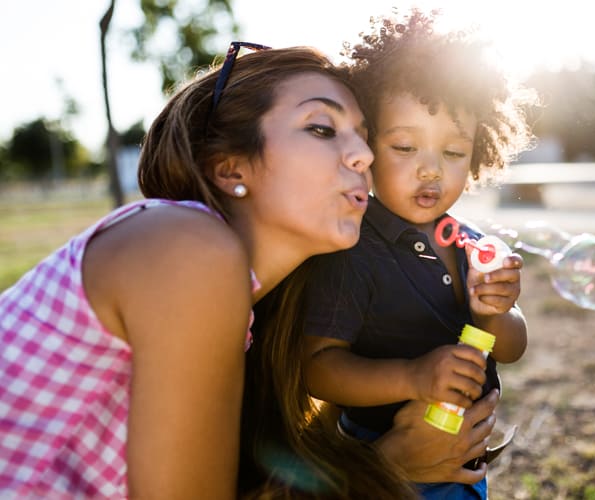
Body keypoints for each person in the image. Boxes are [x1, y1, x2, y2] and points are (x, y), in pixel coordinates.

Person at [0, 43, 376, 498]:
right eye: (322, 128)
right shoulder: (185, 245)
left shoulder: (247, 316)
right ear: (228, 167)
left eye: (364, 136)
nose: (363, 156)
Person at [298, 10, 537, 500]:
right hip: (388, 465)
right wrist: (412, 376)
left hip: (464, 465)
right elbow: (318, 366)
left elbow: (510, 348)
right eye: (405, 147)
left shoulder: (470, 243)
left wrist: (495, 313)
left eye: (453, 153)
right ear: (365, 144)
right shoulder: (355, 248)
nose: (431, 171)